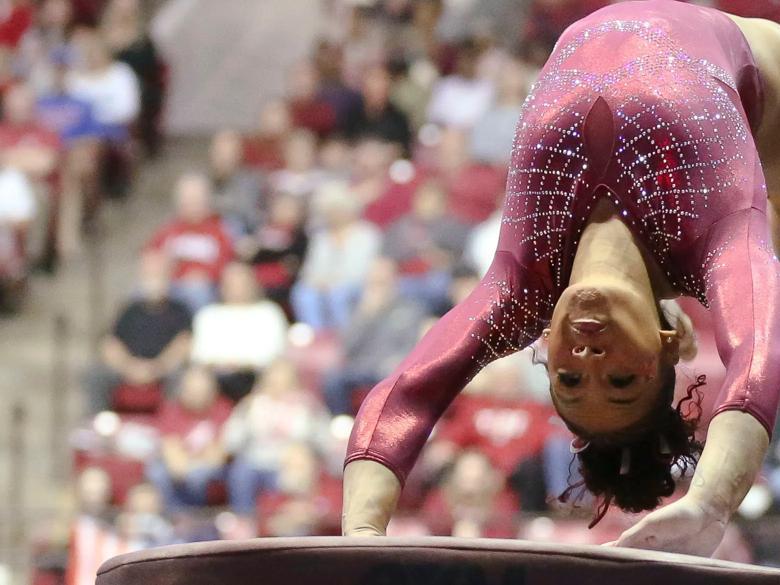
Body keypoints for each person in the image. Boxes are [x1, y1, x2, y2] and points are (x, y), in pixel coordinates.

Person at [341, 1, 780, 559]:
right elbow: (759, 356)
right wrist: (711, 502)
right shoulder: (712, 238)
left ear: (546, 350)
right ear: (672, 342)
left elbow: (409, 394)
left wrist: (358, 537)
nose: (590, 357)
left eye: (569, 379)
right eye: (622, 380)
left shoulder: (523, 286)